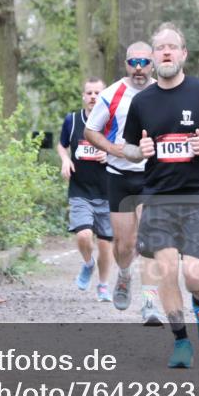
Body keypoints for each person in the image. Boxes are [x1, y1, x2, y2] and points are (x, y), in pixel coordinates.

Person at [122, 22, 199, 368]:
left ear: (184, 54)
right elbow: (127, 149)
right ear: (153, 56)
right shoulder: (142, 102)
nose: (166, 52)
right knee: (167, 269)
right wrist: (138, 151)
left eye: (173, 47)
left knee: (193, 274)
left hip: (197, 197)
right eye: (160, 48)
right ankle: (181, 341)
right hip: (157, 198)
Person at [83, 42, 165, 326]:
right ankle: (124, 275)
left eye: (144, 61)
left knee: (150, 238)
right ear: (126, 64)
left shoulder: (164, 92)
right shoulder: (111, 94)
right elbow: (90, 130)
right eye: (134, 62)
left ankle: (150, 303)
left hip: (153, 176)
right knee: (124, 244)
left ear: (152, 63)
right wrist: (116, 150)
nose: (139, 67)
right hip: (119, 176)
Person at [57, 78, 114, 301]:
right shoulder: (72, 120)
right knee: (83, 235)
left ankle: (103, 285)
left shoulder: (111, 123)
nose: (93, 97)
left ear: (104, 97)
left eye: (97, 93)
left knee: (105, 243)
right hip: (80, 190)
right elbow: (62, 145)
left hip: (109, 191)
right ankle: (88, 264)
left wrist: (109, 153)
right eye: (89, 93)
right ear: (83, 96)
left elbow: (127, 148)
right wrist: (64, 160)